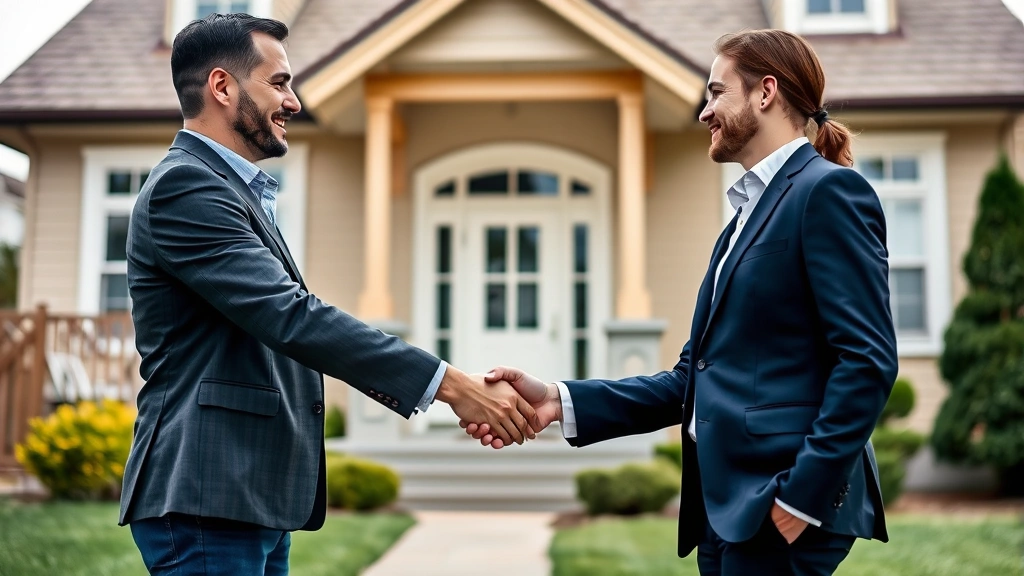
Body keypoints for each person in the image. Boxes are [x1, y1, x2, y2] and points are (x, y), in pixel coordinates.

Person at [462, 29, 897, 576]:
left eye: (716, 93)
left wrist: (801, 497)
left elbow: (867, 360)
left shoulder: (827, 193)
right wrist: (557, 399)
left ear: (765, 93)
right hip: (724, 511)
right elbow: (691, 378)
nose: (704, 112)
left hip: (779, 507)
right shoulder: (742, 221)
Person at [119, 13, 538, 575]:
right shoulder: (185, 186)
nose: (293, 101)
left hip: (247, 496)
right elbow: (291, 318)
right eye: (279, 82)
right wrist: (451, 385)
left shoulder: (226, 191)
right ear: (222, 87)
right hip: (206, 495)